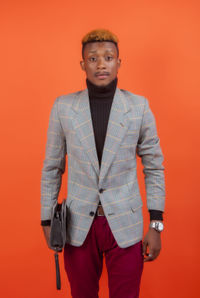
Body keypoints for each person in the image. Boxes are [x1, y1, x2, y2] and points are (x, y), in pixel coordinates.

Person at [41, 29, 165, 298]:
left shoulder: (139, 107)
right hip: (78, 227)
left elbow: (154, 166)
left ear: (118, 62)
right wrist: (46, 218)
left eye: (108, 57)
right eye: (93, 58)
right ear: (82, 64)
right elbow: (52, 167)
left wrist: (156, 224)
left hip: (125, 223)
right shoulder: (63, 107)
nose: (101, 64)